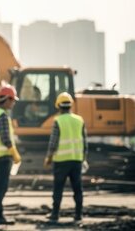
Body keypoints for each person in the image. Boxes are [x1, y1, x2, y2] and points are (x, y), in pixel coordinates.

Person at [44, 92, 87, 223]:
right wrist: (84, 158)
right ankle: (78, 215)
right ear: (71, 105)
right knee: (77, 188)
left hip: (61, 161)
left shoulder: (58, 120)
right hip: (77, 160)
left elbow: (53, 142)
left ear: (58, 106)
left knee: (58, 188)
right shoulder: (80, 120)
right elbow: (85, 142)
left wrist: (49, 157)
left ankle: (55, 214)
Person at [0, 85, 22, 225]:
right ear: (7, 99)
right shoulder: (2, 116)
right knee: (1, 187)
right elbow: (6, 139)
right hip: (2, 157)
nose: (13, 103)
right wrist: (15, 154)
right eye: (13, 100)